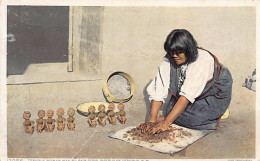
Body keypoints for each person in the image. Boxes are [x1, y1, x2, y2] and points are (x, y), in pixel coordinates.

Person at [142, 29, 233, 134]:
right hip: (193, 92)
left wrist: (165, 124)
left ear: (188, 50)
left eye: (179, 52)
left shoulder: (202, 60)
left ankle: (219, 111)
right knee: (169, 111)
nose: (174, 55)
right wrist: (151, 120)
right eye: (172, 52)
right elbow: (159, 89)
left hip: (212, 94)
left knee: (192, 120)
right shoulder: (169, 60)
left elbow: (186, 97)